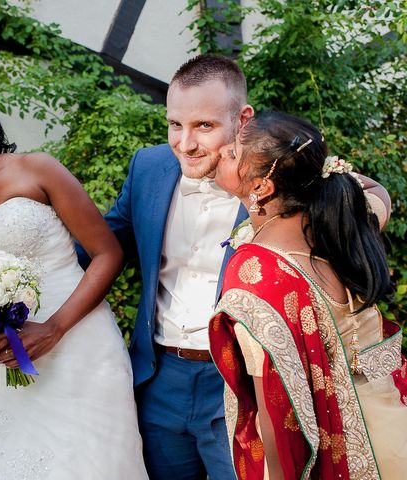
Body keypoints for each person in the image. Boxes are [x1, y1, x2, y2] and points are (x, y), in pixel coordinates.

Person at [0, 71, 148, 479]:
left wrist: (54, 328)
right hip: (0, 368)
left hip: (82, 347)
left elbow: (107, 253)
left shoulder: (36, 170)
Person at [78, 54, 252, 478]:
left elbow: (354, 205)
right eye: (176, 124)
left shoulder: (277, 176)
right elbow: (100, 245)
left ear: (242, 120)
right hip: (159, 378)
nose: (185, 143)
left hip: (240, 383)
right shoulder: (149, 167)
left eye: (204, 126)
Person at [210, 110, 406, 479]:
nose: (221, 151)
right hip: (389, 418)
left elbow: (272, 402)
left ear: (261, 187)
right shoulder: (343, 222)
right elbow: (379, 194)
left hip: (339, 450)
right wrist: (313, 170)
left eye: (234, 153)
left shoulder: (256, 275)